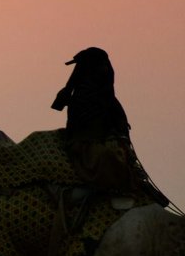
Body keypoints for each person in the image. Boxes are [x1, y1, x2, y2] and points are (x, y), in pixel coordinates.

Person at [50, 46, 138, 195]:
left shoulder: (107, 97)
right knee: (108, 158)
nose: (105, 69)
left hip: (105, 141)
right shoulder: (84, 96)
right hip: (85, 145)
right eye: (101, 65)